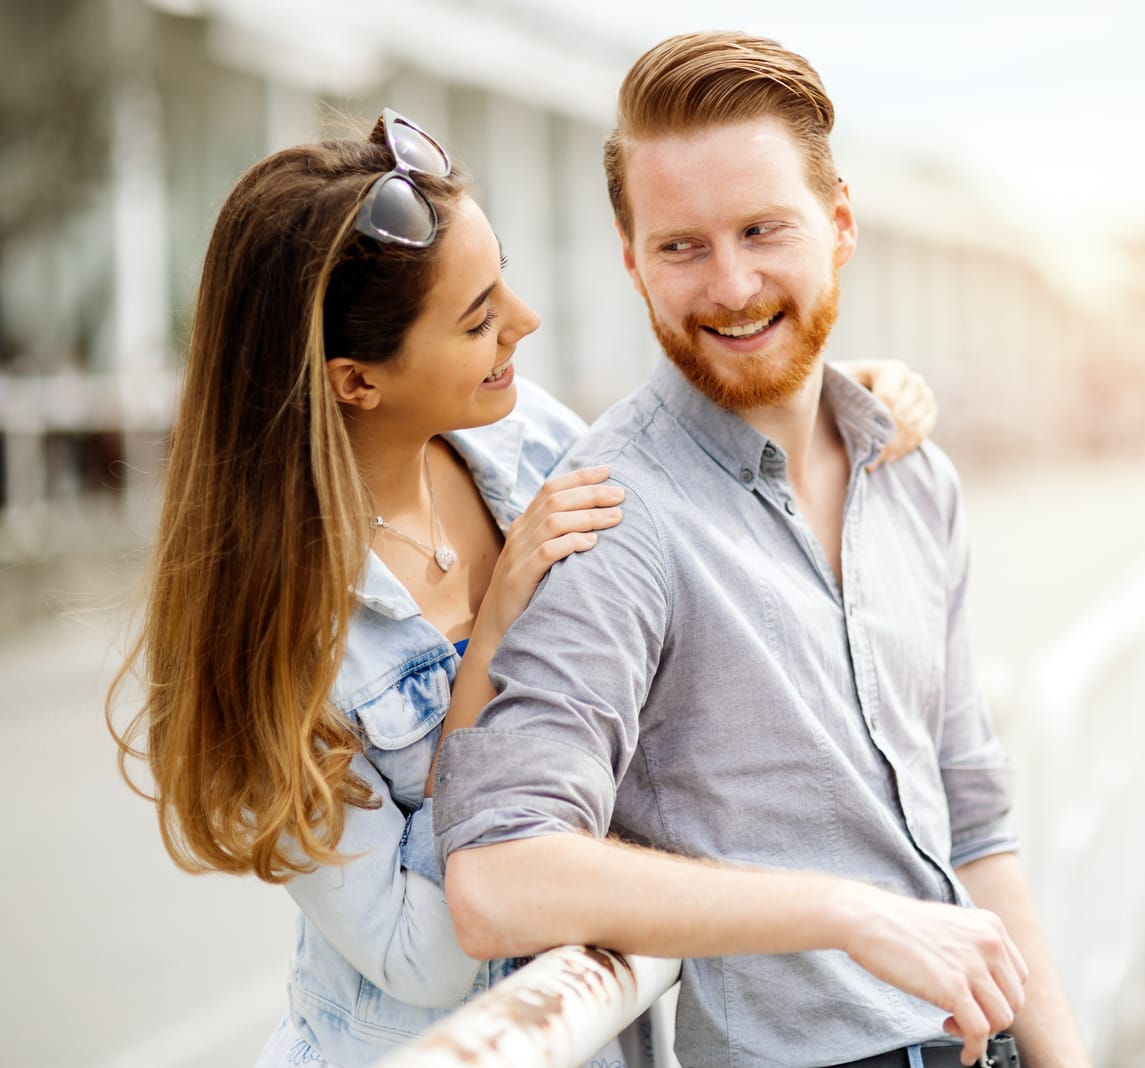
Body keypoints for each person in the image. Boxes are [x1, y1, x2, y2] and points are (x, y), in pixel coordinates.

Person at [106, 107, 938, 1068]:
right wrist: (491, 640)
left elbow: (689, 474)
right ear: (356, 381)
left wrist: (822, 398)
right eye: (477, 316)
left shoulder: (527, 440)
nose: (524, 319)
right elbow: (422, 952)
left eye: (499, 274)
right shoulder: (270, 646)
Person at [433, 31, 1094, 1068]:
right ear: (632, 262)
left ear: (838, 224)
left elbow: (975, 817)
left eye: (761, 229)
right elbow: (496, 878)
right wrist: (846, 912)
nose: (731, 287)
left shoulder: (912, 476)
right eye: (681, 246)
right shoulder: (612, 520)